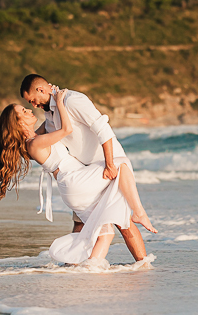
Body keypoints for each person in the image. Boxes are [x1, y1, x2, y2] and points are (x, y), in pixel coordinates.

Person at [0, 90, 150, 265]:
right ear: (18, 122)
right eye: (23, 111)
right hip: (74, 181)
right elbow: (66, 130)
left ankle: (90, 268)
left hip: (72, 185)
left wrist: (50, 107)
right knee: (120, 164)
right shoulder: (35, 143)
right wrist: (61, 103)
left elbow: (49, 124)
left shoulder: (34, 139)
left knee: (106, 233)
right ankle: (139, 212)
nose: (29, 110)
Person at [20, 74, 156, 259]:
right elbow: (35, 140)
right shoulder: (50, 114)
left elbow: (103, 130)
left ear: (41, 90)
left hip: (105, 166)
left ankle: (142, 265)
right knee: (82, 225)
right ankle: (74, 266)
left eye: (33, 101)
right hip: (83, 173)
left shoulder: (73, 101)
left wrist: (109, 164)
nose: (33, 106)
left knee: (122, 222)